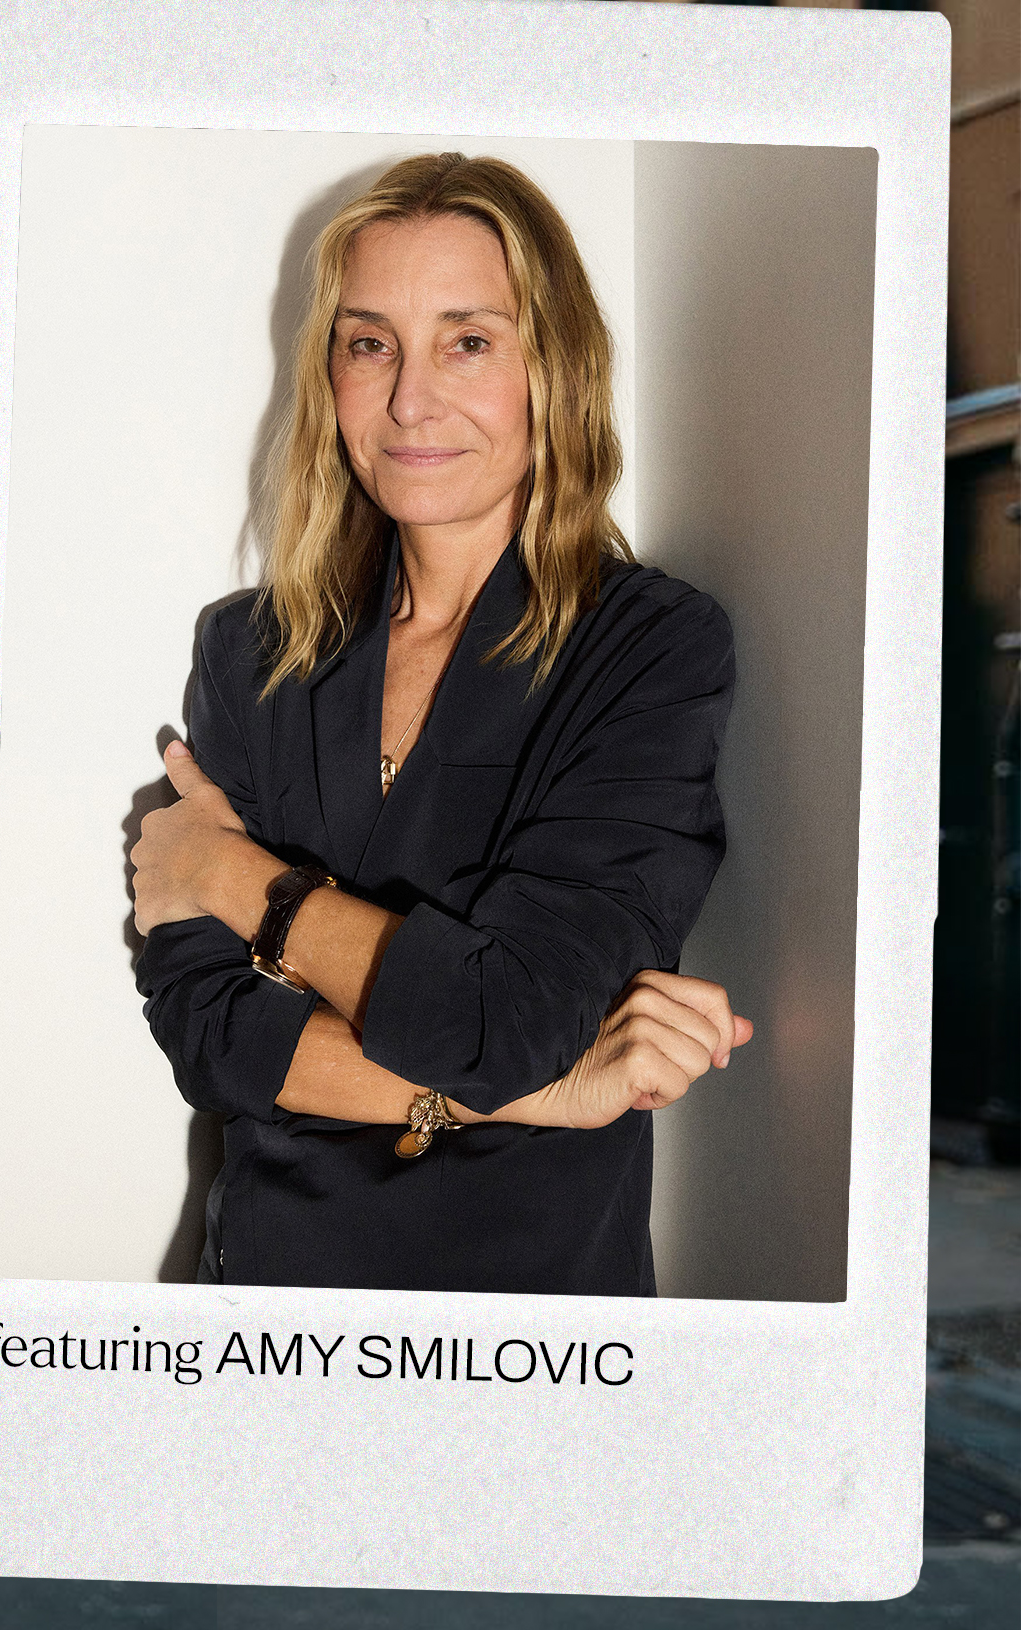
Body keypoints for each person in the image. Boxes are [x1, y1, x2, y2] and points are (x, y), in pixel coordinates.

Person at [129, 152, 751, 1298]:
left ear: (551, 370)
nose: (411, 397)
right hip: (266, 1310)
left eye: (468, 339)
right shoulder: (251, 649)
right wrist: (551, 1091)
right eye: (372, 343)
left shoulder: (649, 650)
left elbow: (500, 1017)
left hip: (536, 1329)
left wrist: (233, 877)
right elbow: (211, 1034)